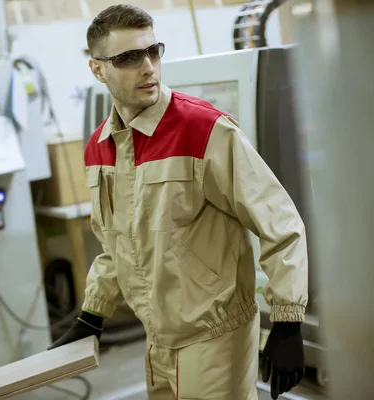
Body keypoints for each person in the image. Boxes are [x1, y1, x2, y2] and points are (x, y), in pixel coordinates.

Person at [48, 4, 308, 400]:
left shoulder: (205, 131)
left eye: (154, 51)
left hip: (216, 338)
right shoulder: (99, 148)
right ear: (98, 69)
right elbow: (117, 243)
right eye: (129, 58)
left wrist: (288, 321)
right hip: (158, 339)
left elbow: (281, 224)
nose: (149, 67)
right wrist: (92, 313)